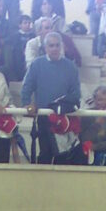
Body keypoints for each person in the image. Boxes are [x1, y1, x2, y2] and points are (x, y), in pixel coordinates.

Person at [21, 31, 80, 164]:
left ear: (62, 46)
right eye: (51, 45)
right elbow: (27, 87)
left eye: (57, 45)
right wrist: (26, 103)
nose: (54, 48)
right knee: (45, 154)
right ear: (45, 47)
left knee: (63, 155)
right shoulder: (36, 64)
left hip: (64, 118)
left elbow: (76, 93)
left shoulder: (71, 67)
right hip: (44, 117)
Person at [79, 84, 106, 166]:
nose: (104, 103)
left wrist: (96, 146)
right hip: (90, 151)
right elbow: (84, 138)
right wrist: (97, 124)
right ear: (95, 100)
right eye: (100, 100)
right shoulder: (87, 115)